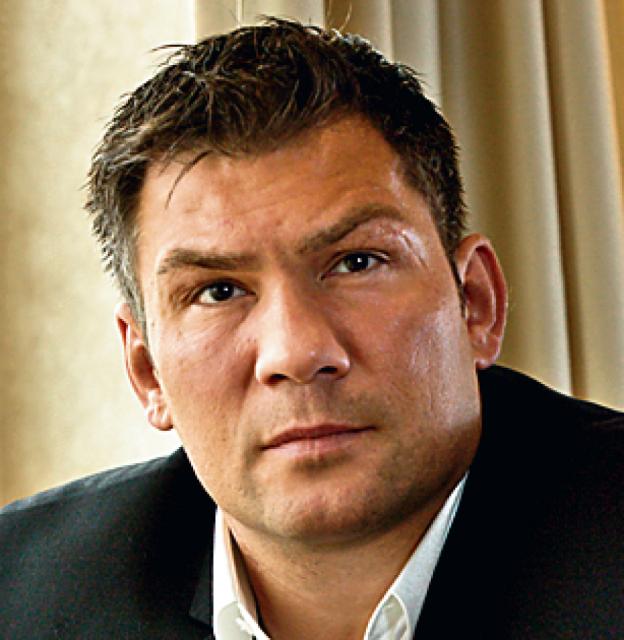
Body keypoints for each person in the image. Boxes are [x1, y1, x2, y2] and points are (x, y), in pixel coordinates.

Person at [1, 17, 622, 640]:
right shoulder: (20, 595)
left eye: (357, 263)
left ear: (475, 305)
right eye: (219, 292)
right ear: (146, 372)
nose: (295, 352)